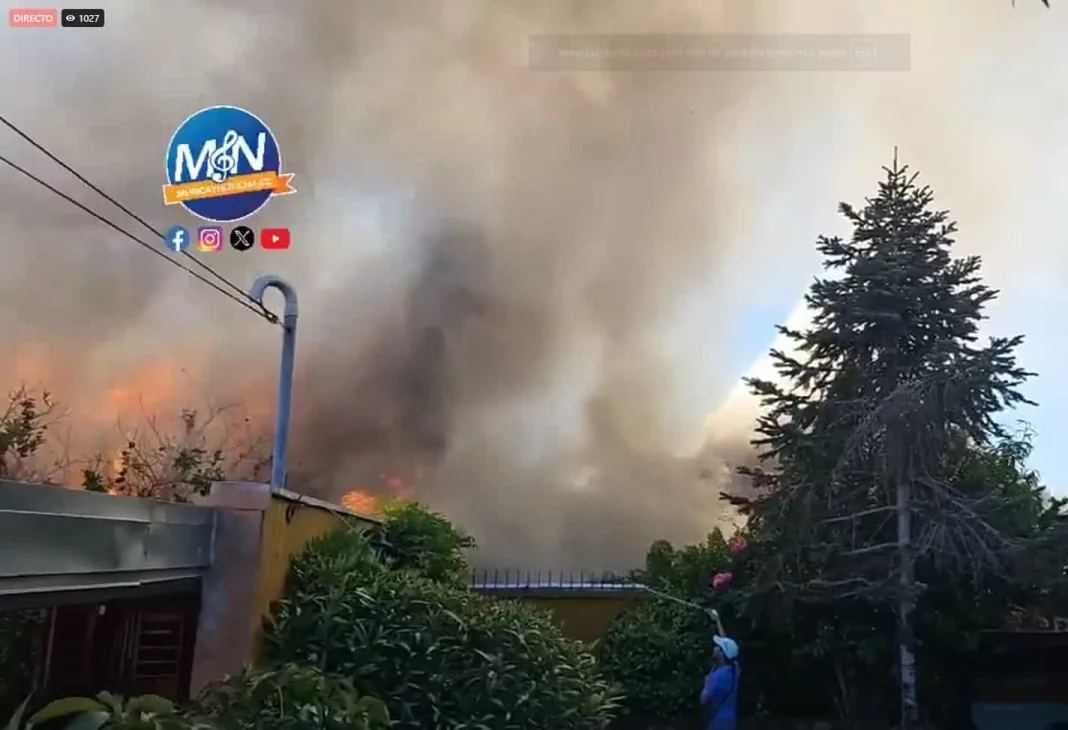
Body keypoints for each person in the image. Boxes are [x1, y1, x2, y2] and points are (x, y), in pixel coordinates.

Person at [700, 609, 740, 730]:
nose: (715, 648)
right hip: (730, 721)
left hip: (718, 724)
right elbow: (727, 645)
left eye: (717, 647)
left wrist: (706, 682)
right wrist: (717, 621)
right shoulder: (734, 668)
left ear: (722, 654)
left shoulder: (719, 676)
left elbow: (703, 700)